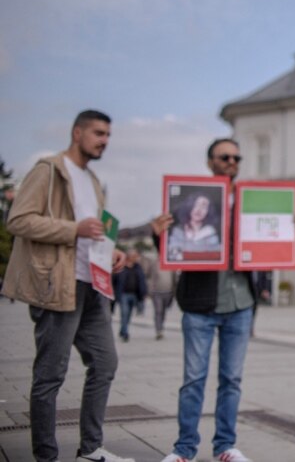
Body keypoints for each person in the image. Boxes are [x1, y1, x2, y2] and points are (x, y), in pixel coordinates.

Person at [1, 109, 168, 462]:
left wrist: (115, 251)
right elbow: (18, 220)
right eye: (98, 133)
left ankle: (90, 449)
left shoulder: (91, 180)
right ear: (77, 133)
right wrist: (71, 229)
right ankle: (45, 455)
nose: (104, 141)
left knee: (105, 364)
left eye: (108, 135)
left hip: (93, 286)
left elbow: (98, 233)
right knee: (50, 375)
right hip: (57, 285)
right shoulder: (49, 170)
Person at [162, 138, 295, 462]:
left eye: (237, 157)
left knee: (232, 380)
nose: (232, 162)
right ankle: (184, 449)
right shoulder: (191, 199)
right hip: (199, 303)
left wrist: (288, 226)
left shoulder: (251, 199)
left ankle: (225, 446)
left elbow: (272, 238)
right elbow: (173, 243)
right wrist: (161, 232)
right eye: (225, 156)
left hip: (240, 304)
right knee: (193, 379)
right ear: (210, 161)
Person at [142, 236, 177, 340]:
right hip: (156, 291)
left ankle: (161, 326)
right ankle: (159, 330)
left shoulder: (171, 262)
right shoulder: (154, 262)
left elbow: (174, 277)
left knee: (163, 311)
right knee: (158, 310)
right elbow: (148, 276)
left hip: (168, 291)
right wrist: (149, 290)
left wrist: (175, 291)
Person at [166, 193, 220, 260]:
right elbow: (173, 255)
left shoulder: (211, 234)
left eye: (204, 206)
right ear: (189, 206)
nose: (199, 210)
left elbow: (215, 256)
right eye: (196, 205)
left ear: (208, 211)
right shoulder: (178, 231)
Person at [112, 249, 147, 342]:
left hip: (134, 294)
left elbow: (142, 280)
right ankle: (125, 332)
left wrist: (143, 293)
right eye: (134, 256)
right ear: (129, 257)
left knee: (129, 314)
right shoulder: (121, 266)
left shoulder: (138, 267)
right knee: (124, 313)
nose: (136, 258)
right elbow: (114, 280)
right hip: (123, 294)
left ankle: (123, 329)